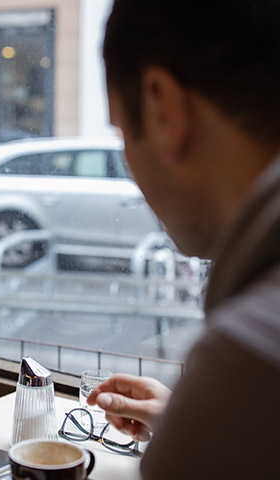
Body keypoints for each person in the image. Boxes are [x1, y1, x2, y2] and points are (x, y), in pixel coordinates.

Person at [87, 1, 280, 478]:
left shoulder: (247, 361)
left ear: (162, 108)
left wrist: (212, 417)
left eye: (122, 131)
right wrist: (187, 417)